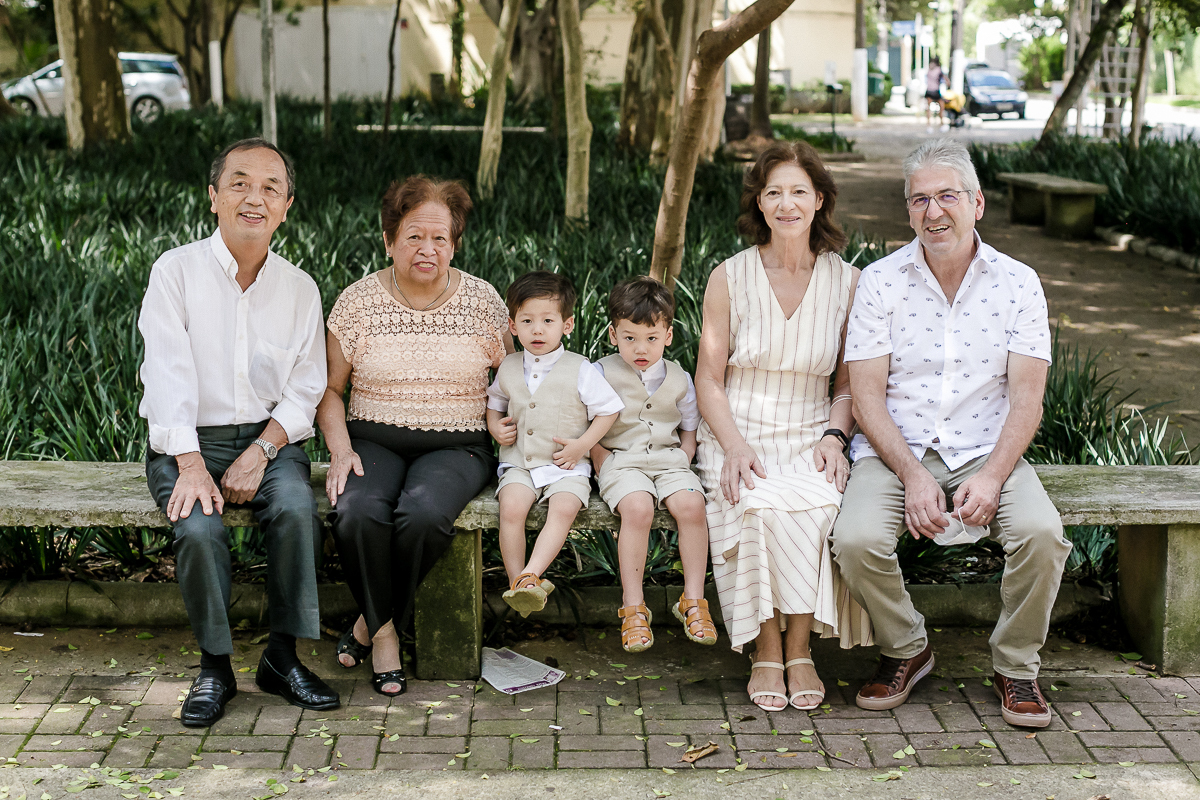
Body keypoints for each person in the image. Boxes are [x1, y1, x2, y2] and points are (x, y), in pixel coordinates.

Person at [831, 138, 1071, 729]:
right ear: (907, 210)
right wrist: (912, 474)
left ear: (977, 203)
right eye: (919, 200)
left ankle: (1016, 667)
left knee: (1042, 535)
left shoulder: (1019, 284)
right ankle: (907, 649)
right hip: (895, 452)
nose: (933, 212)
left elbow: (1027, 397)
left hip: (986, 451)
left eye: (947, 196)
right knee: (856, 541)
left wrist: (992, 476)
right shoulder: (879, 282)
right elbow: (865, 396)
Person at [139, 138, 338, 727]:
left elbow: (306, 387)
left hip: (270, 439)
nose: (255, 197)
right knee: (198, 530)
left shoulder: (300, 288)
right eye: (240, 183)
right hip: (186, 442)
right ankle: (215, 666)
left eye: (270, 188)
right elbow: (167, 373)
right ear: (213, 197)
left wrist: (263, 449)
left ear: (287, 207)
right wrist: (192, 463)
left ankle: (282, 658)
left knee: (298, 508)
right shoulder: (175, 272)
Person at [694, 141, 872, 713]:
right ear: (759, 203)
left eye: (799, 191)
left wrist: (834, 438)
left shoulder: (849, 283)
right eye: (774, 192)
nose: (787, 204)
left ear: (820, 200)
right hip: (736, 424)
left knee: (822, 505)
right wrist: (734, 445)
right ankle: (766, 648)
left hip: (811, 426)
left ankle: (801, 651)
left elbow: (847, 384)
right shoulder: (729, 276)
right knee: (757, 504)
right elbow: (709, 380)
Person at [318, 175, 511, 696]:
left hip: (458, 442)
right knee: (355, 512)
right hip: (371, 438)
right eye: (413, 237)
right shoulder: (357, 302)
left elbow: (516, 380)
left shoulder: (485, 302)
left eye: (440, 239)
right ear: (388, 240)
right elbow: (331, 391)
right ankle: (385, 634)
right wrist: (339, 449)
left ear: (455, 244)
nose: (427, 249)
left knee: (423, 514)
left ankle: (369, 624)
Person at [486, 271, 623, 616]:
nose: (537, 329)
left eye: (547, 320)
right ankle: (519, 583)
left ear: (567, 324)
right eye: (527, 320)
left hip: (566, 465)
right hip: (519, 461)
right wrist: (495, 429)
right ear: (513, 325)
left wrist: (582, 446)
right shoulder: (508, 366)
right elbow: (495, 405)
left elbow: (608, 412)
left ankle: (530, 575)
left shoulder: (580, 368)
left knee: (564, 507)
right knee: (511, 508)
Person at [590, 277, 714, 653]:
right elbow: (586, 425)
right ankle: (632, 606)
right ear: (613, 335)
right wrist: (602, 459)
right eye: (629, 338)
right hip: (621, 462)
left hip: (669, 460)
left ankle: (692, 600)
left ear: (668, 335)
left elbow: (689, 424)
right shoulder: (600, 372)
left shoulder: (680, 378)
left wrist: (685, 458)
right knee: (639, 508)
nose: (640, 348)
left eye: (651, 338)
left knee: (692, 505)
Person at [924, 57, 947, 132]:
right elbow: (945, 79)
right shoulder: (939, 70)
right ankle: (942, 124)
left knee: (929, 109)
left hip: (929, 90)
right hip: (935, 91)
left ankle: (929, 126)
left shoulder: (929, 69)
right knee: (941, 107)